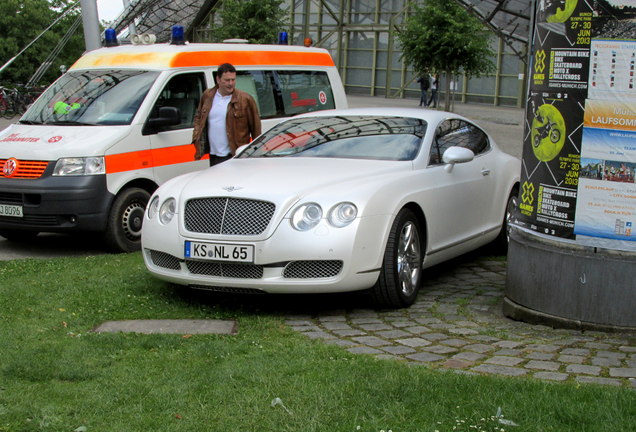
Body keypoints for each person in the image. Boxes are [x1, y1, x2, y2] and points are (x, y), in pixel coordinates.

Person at [192, 63, 261, 166]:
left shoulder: (245, 99)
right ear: (218, 80)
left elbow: (256, 129)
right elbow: (198, 117)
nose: (231, 83)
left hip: (234, 155)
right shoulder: (208, 96)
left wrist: (255, 153)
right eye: (227, 80)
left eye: (233, 80)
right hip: (214, 155)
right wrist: (196, 135)